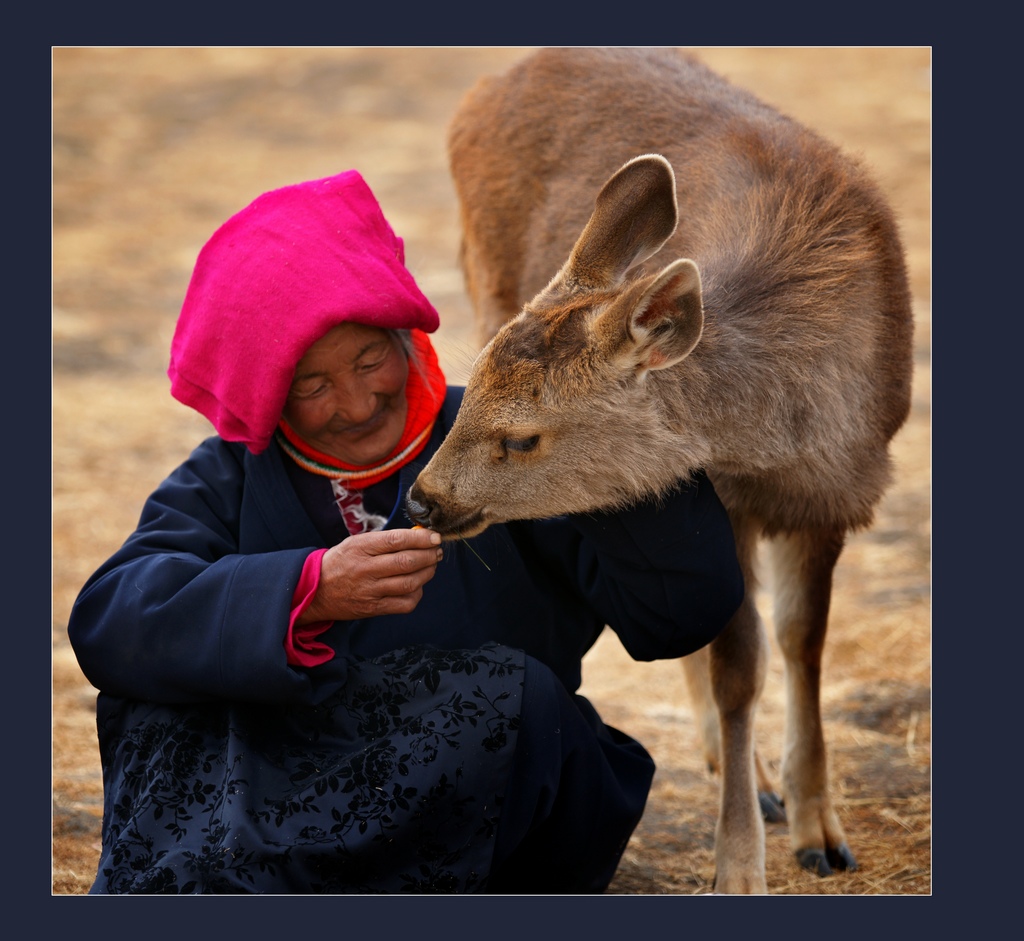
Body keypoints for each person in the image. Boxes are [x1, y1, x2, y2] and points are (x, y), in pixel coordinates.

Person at [67, 170, 745, 895]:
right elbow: (111, 618)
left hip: (467, 794)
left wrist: (612, 439)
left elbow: (679, 616)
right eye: (313, 385)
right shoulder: (230, 476)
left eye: (370, 360)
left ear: (405, 336)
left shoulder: (515, 438)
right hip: (275, 791)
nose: (358, 403)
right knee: (152, 692)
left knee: (517, 700)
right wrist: (304, 593)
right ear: (265, 390)